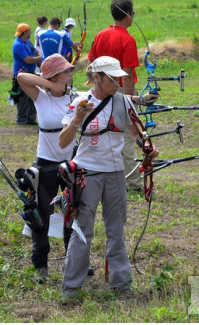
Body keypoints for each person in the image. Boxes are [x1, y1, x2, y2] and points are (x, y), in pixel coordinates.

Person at [58, 56, 159, 301]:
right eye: (112, 78)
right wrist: (77, 119)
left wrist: (147, 148)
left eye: (119, 78)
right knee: (83, 231)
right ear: (97, 78)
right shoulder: (81, 102)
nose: (118, 82)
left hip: (115, 175)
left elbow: (136, 132)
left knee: (116, 230)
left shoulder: (123, 102)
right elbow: (62, 141)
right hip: (87, 174)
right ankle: (71, 287)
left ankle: (121, 283)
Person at [16, 54, 76, 283]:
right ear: (53, 76)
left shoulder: (75, 97)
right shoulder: (41, 97)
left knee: (73, 213)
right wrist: (50, 84)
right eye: (66, 72)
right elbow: (21, 76)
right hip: (45, 165)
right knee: (41, 215)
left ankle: (75, 261)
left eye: (70, 71)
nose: (71, 75)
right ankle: (41, 265)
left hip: (71, 163)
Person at [87, 0, 146, 193]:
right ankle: (133, 184)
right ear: (128, 15)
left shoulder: (100, 35)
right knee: (127, 138)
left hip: (100, 91)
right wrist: (128, 103)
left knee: (103, 133)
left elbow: (92, 63)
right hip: (119, 90)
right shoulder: (128, 39)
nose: (133, 17)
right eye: (133, 13)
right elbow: (127, 76)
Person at [11, 23, 41, 125]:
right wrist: (40, 58)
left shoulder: (27, 41)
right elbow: (28, 60)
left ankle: (31, 118)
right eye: (29, 31)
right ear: (24, 32)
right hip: (21, 74)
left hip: (30, 73)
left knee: (33, 95)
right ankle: (21, 118)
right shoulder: (18, 45)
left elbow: (35, 51)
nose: (30, 32)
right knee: (22, 97)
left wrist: (40, 53)